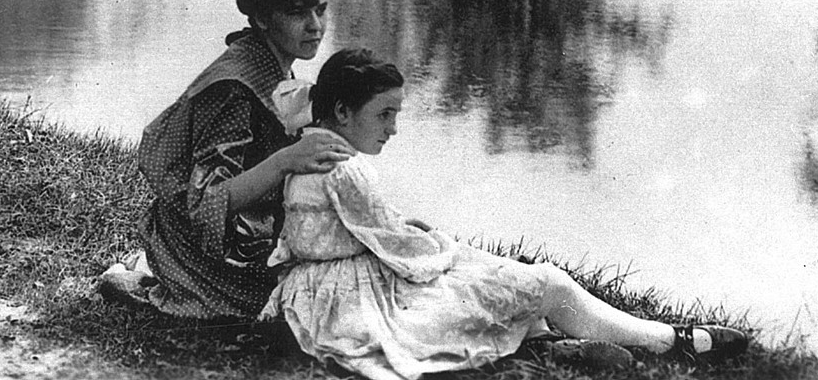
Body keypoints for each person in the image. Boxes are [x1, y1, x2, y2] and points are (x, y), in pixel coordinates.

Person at [264, 48, 751, 377]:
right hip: (353, 303)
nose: (393, 128)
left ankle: (546, 342)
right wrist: (449, 248)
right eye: (385, 114)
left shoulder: (309, 149)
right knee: (538, 281)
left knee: (490, 284)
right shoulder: (344, 168)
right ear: (344, 112)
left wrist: (407, 233)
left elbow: (351, 228)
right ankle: (671, 341)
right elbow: (403, 251)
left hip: (312, 297)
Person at [97, 0, 355, 319]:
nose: (315, 25)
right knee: (304, 303)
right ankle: (138, 282)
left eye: (321, 10)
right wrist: (287, 160)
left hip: (244, 227)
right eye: (299, 14)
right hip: (200, 244)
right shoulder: (233, 88)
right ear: (263, 19)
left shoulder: (269, 59)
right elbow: (205, 204)